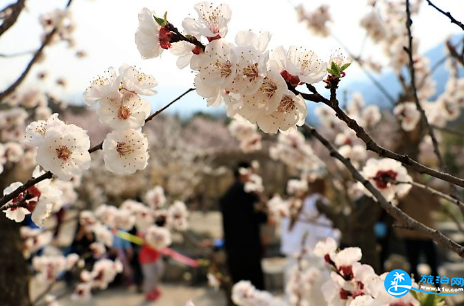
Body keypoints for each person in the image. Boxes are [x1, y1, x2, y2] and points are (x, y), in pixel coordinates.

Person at [280, 178, 338, 305]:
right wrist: (338, 234)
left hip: (292, 262)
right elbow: (325, 234)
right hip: (313, 265)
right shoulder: (317, 202)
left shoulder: (293, 204)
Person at [219, 162, 267, 290]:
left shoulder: (227, 195)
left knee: (239, 291)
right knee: (255, 290)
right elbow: (263, 217)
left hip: (232, 249)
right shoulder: (249, 193)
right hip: (250, 249)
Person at [395, 185, 439, 282]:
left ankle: (438, 289)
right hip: (411, 234)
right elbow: (396, 203)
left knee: (432, 263)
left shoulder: (426, 190)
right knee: (413, 265)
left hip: (426, 233)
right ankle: (415, 292)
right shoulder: (404, 190)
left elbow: (436, 204)